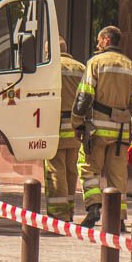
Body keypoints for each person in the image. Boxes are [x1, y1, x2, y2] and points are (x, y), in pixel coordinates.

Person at [71, 26, 132, 227]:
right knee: (118, 177)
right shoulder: (131, 68)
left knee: (87, 168)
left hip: (96, 130)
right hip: (121, 133)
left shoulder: (95, 63)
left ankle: (94, 207)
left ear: (106, 40)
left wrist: (77, 123)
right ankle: (119, 219)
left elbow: (84, 96)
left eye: (99, 40)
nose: (97, 44)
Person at [45, 37, 86, 222]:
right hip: (76, 128)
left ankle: (58, 213)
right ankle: (69, 211)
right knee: (71, 170)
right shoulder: (81, 68)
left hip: (55, 127)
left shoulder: (48, 68)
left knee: (55, 169)